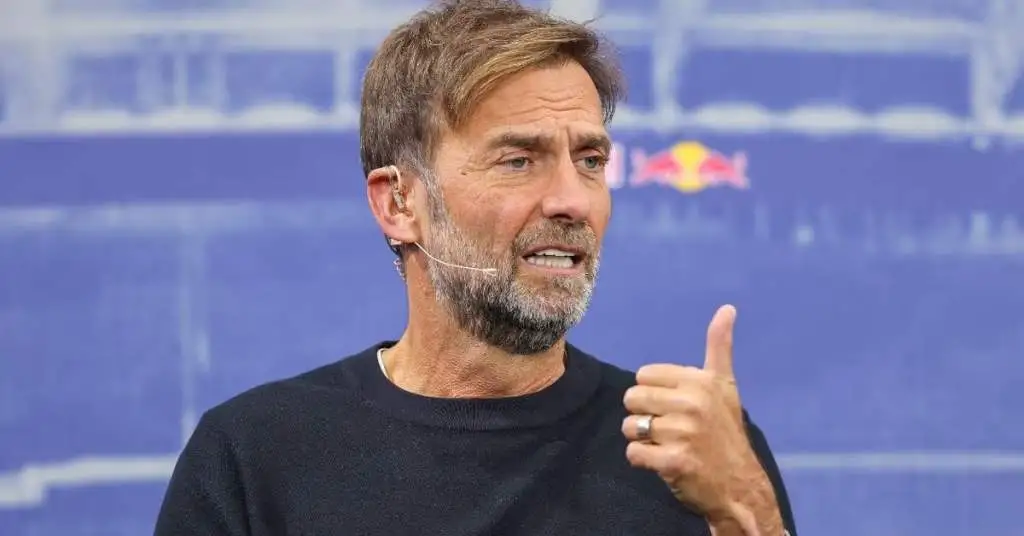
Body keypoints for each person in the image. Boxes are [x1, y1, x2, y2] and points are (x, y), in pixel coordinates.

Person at [153, 1, 797, 534]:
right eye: (519, 161)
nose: (573, 201)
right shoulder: (255, 457)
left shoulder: (691, 455)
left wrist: (746, 514)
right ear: (399, 203)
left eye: (590, 161)